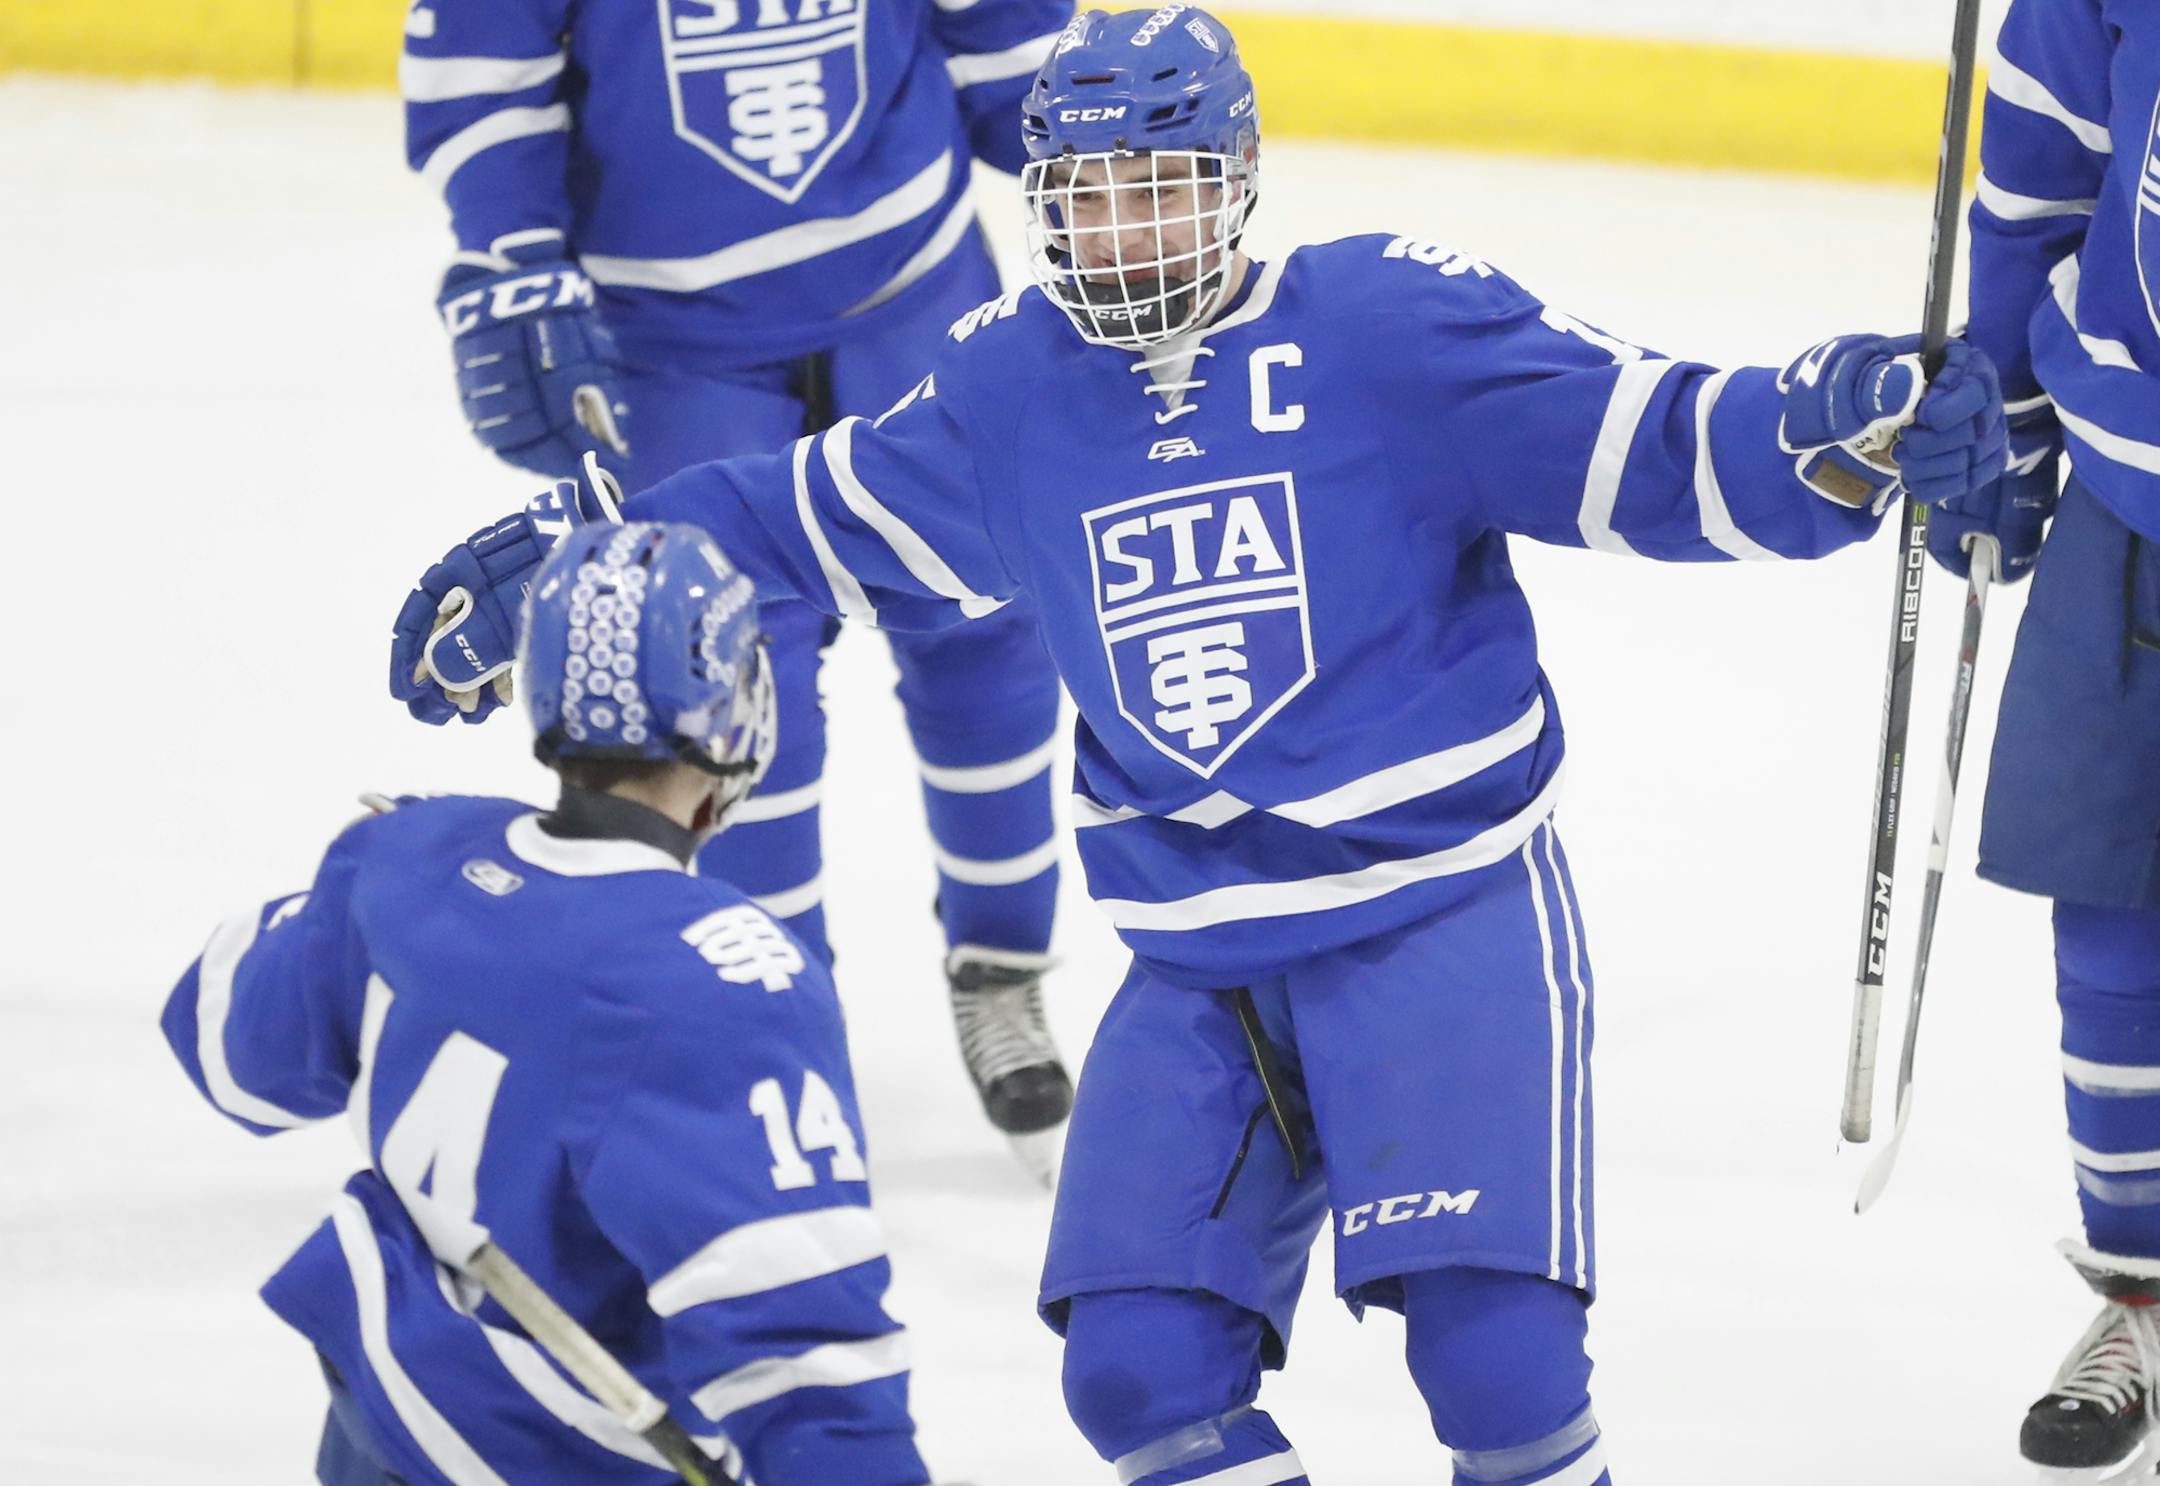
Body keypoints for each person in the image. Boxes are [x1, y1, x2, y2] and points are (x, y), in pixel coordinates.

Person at [386, 9, 2009, 1479]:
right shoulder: (1012, 394)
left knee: (1498, 1365)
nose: (1124, 228)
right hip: (1194, 960)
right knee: (1139, 1377)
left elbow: (1652, 446)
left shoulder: (1384, 324)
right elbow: (792, 526)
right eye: (1087, 195)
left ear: (1237, 181)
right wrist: (578, 560)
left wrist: (1832, 418)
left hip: (1437, 916)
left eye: (1160, 186)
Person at [400, 0, 1079, 1171]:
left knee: (995, 642)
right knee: (732, 703)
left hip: (915, 297)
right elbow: (484, 54)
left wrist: (1091, 158)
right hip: (669, 351)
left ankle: (1003, 969)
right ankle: (779, 1027)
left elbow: (1009, 39)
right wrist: (509, 251)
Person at [167, 517, 941, 1484]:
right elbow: (807, 1361)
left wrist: (364, 889)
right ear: (731, 703)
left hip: (381, 1425)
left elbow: (234, 1059)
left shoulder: (409, 856)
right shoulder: (723, 978)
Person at [1927, 0, 2160, 1475]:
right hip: (2137, 496)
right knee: (2116, 935)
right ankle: (2143, 1293)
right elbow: (2032, 177)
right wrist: (2000, 407)